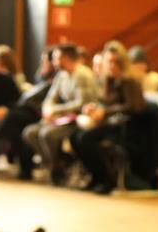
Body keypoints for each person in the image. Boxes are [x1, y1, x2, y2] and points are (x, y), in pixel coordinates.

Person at [0, 47, 59, 179]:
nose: (42, 63)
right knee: (15, 127)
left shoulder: (58, 79)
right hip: (27, 112)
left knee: (12, 118)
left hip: (40, 114)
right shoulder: (45, 78)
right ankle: (24, 168)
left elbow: (43, 101)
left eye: (45, 61)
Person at [71, 48, 144, 194]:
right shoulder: (108, 80)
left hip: (125, 126)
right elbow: (105, 103)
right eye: (109, 62)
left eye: (115, 62)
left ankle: (106, 179)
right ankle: (95, 176)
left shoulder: (129, 81)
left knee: (86, 138)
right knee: (74, 136)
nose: (112, 65)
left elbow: (132, 106)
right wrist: (94, 107)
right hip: (109, 123)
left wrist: (105, 111)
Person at [23, 43, 100, 183]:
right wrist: (47, 109)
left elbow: (82, 103)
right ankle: (56, 163)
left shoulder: (82, 75)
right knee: (30, 132)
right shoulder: (61, 75)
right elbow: (51, 98)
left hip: (77, 119)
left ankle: (59, 167)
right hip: (62, 117)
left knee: (47, 134)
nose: (53, 62)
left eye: (56, 58)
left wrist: (56, 110)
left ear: (67, 58)